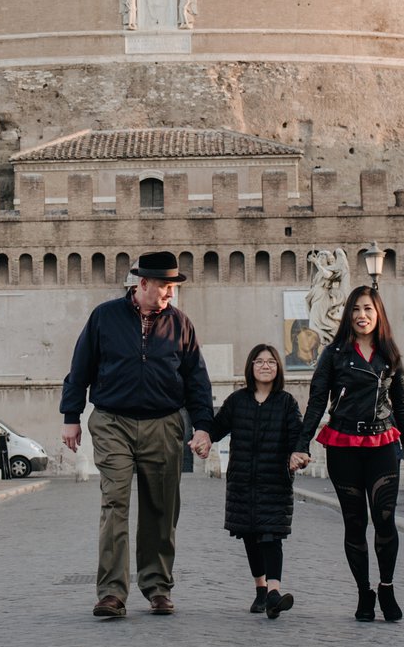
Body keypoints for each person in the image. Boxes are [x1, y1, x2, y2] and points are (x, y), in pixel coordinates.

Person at [61, 251, 214, 619]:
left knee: (161, 508)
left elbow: (197, 379)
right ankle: (111, 592)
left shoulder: (180, 324)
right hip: (113, 421)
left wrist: (204, 425)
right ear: (142, 284)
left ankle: (157, 585)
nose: (169, 294)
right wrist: (71, 416)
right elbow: (80, 366)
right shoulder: (104, 317)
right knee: (115, 502)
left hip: (164, 423)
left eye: (173, 287)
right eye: (164, 287)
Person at [291, 285, 404, 622]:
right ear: (347, 315)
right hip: (344, 445)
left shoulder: (388, 353)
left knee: (384, 519)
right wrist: (302, 444)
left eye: (368, 309)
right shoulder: (334, 354)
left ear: (378, 314)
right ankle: (364, 592)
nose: (362, 315)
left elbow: (402, 405)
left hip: (383, 443)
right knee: (354, 523)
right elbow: (318, 400)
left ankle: (387, 587)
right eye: (356, 310)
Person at [210, 344, 305, 619]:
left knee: (271, 535)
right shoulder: (237, 400)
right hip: (242, 481)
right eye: (259, 361)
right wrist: (202, 434)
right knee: (251, 536)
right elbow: (217, 428)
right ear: (251, 367)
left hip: (275, 480)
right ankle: (261, 590)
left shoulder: (286, 402)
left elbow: (296, 436)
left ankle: (274, 592)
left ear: (278, 368)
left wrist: (299, 454)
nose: (265, 366)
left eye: (271, 361)